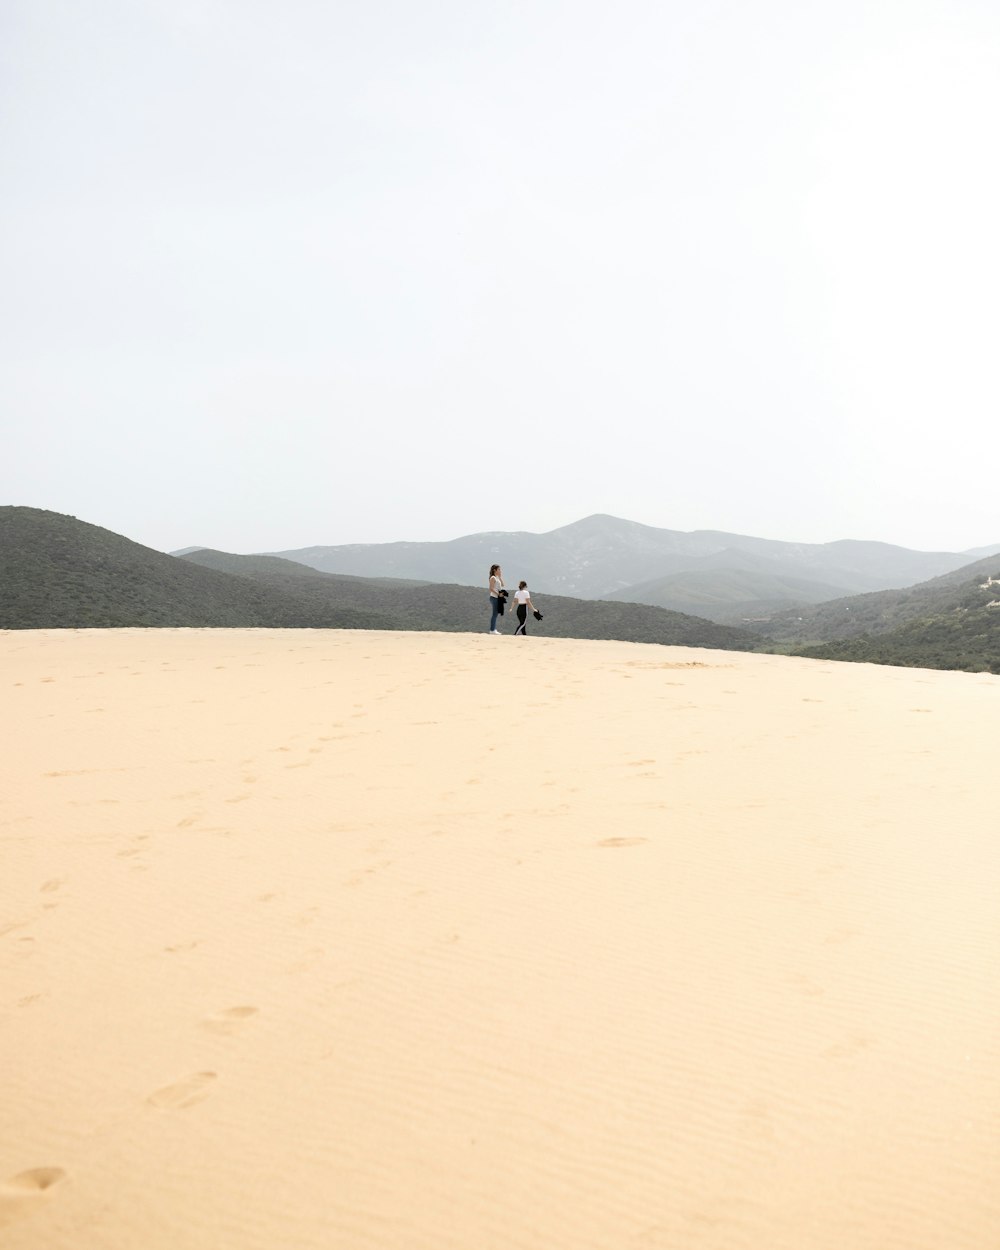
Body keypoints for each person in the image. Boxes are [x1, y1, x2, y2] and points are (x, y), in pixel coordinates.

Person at [488, 564, 506, 634]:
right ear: (494, 570)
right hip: (494, 597)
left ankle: (493, 629)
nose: (500, 571)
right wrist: (498, 594)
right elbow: (491, 589)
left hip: (497, 598)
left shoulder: (497, 578)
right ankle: (492, 630)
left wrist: (500, 577)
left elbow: (503, 585)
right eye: (499, 569)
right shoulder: (493, 578)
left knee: (495, 614)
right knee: (494, 614)